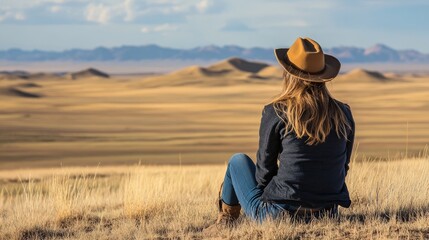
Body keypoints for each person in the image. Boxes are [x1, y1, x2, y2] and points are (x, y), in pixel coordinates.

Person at [203, 37, 355, 233]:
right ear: (324, 76)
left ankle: (226, 220)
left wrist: (274, 193)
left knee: (237, 161)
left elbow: (264, 170)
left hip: (278, 215)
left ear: (289, 74)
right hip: (327, 213)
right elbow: (343, 166)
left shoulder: (277, 111)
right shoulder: (343, 113)